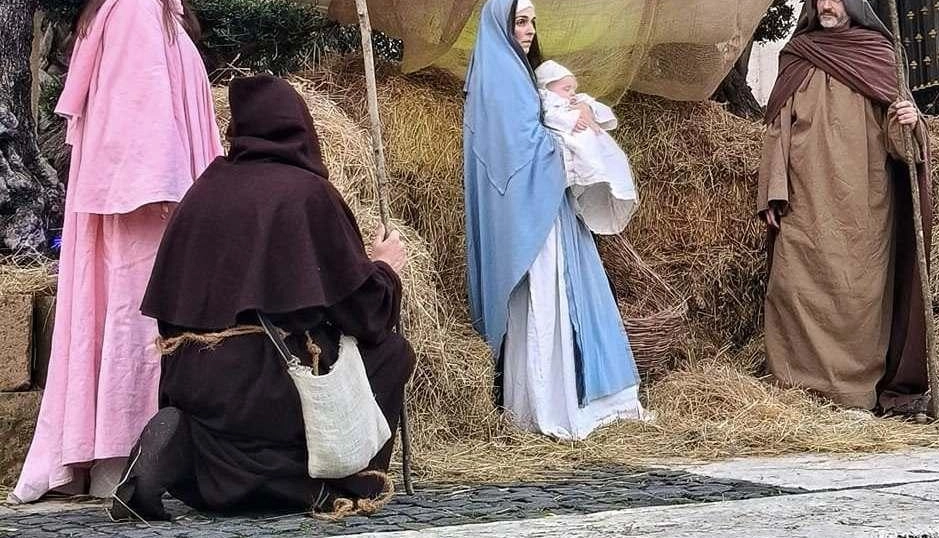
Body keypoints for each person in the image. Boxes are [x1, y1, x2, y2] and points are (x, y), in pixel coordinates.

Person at [106, 75, 415, 520]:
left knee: (224, 426)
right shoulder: (307, 194)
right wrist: (384, 268)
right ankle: (342, 483)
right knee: (390, 352)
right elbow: (366, 314)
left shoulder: (202, 192)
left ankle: (184, 448)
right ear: (301, 128)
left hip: (193, 384)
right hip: (274, 388)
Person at [11, 0, 223, 503]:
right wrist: (171, 194)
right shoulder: (134, 8)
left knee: (130, 320)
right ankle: (122, 458)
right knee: (136, 321)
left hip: (145, 200)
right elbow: (137, 112)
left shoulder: (151, 10)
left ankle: (121, 460)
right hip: (144, 208)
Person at [464, 0, 650, 442]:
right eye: (521, 21)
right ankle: (552, 407)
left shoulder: (515, 77)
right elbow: (518, 155)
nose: (529, 30)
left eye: (532, 22)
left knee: (564, 299)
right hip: (534, 214)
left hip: (549, 208)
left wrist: (577, 118)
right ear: (501, 25)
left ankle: (575, 402)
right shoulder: (500, 82)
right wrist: (573, 135)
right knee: (546, 299)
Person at [759, 0, 932, 414]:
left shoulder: (879, 55)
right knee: (790, 287)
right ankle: (793, 390)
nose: (826, 5)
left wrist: (909, 121)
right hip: (804, 199)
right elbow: (777, 129)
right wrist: (772, 190)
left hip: (862, 205)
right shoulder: (798, 55)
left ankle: (852, 395)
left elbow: (902, 145)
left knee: (857, 299)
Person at [534, 59, 638, 235]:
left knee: (613, 157)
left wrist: (586, 109)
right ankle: (592, 178)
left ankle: (611, 183)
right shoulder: (547, 100)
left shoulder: (574, 101)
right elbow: (550, 116)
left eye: (573, 88)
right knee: (586, 154)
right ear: (547, 87)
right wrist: (571, 120)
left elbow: (600, 110)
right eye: (566, 89)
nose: (572, 93)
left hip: (597, 150)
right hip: (576, 152)